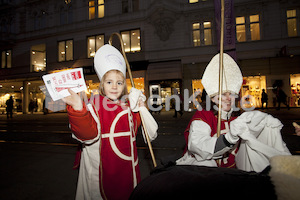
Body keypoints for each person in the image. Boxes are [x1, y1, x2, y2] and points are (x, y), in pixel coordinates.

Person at [63, 44, 144, 200]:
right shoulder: (92, 105)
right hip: (98, 168)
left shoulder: (126, 105)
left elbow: (131, 131)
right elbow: (88, 135)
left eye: (119, 83)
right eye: (109, 82)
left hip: (125, 167)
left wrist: (138, 110)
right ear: (101, 84)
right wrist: (78, 109)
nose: (114, 87)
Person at [176, 53, 243, 168]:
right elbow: (198, 146)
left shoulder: (239, 117)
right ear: (213, 98)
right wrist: (228, 140)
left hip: (233, 172)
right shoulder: (204, 116)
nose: (228, 98)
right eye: (223, 94)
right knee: (206, 164)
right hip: (205, 170)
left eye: (231, 94)